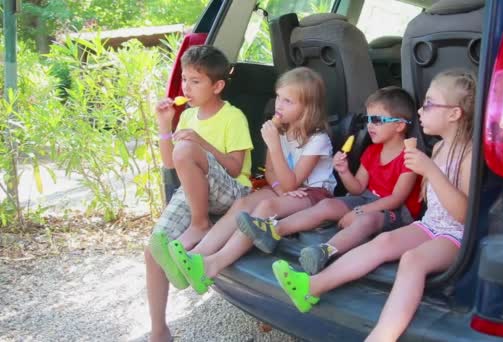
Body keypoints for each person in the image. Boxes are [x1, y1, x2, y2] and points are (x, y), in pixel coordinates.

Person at [271, 70, 476, 342]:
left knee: (412, 260)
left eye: (429, 104)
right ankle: (311, 286)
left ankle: (382, 336)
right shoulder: (437, 149)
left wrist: (431, 172)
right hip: (431, 226)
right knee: (383, 242)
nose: (420, 110)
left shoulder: (469, 154)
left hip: (457, 234)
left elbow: (464, 214)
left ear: (454, 114)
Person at [157, 67, 337, 299]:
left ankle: (214, 264)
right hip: (283, 188)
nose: (279, 106)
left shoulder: (318, 140)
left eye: (288, 101)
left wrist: (273, 148)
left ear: (308, 108)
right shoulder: (280, 131)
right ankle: (197, 257)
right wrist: (279, 188)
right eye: (279, 98)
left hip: (314, 195)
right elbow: (271, 173)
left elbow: (294, 184)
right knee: (243, 203)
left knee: (265, 209)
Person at [237, 86, 422, 275]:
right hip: (366, 199)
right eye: (367, 119)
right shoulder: (372, 151)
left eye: (376, 120)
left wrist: (358, 211)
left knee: (366, 220)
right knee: (327, 205)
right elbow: (357, 188)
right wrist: (344, 172)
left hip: (395, 212)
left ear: (399, 125)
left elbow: (396, 199)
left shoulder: (410, 158)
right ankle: (273, 230)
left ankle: (324, 251)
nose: (369, 126)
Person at [144, 45, 253, 342]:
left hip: (232, 191)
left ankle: (200, 224)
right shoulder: (189, 117)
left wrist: (200, 143)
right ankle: (159, 330)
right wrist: (164, 125)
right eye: (184, 80)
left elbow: (234, 168)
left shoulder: (234, 117)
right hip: (197, 190)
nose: (186, 88)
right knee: (154, 247)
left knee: (188, 149)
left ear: (217, 86)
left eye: (196, 81)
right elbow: (171, 163)